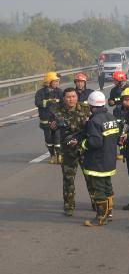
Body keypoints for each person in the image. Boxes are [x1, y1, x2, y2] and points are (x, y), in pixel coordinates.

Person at [80, 91, 119, 227]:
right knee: (107, 187)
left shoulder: (94, 121)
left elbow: (95, 142)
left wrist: (82, 143)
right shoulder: (111, 117)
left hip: (97, 162)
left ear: (92, 106)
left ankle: (100, 217)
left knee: (98, 190)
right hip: (109, 160)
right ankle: (109, 213)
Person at [52, 87, 91, 216]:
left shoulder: (86, 108)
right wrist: (53, 126)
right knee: (68, 179)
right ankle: (69, 206)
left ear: (77, 97)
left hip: (85, 148)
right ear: (64, 98)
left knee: (91, 177)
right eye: (68, 97)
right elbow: (53, 127)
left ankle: (97, 203)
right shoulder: (58, 111)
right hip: (68, 150)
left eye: (73, 96)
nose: (71, 99)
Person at [35, 72, 63, 164]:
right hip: (45, 120)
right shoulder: (40, 92)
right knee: (49, 139)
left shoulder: (59, 91)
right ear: (49, 81)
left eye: (58, 81)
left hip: (57, 119)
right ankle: (52, 155)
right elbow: (37, 103)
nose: (57, 83)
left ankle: (59, 155)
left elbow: (63, 104)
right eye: (55, 81)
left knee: (57, 138)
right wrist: (47, 102)